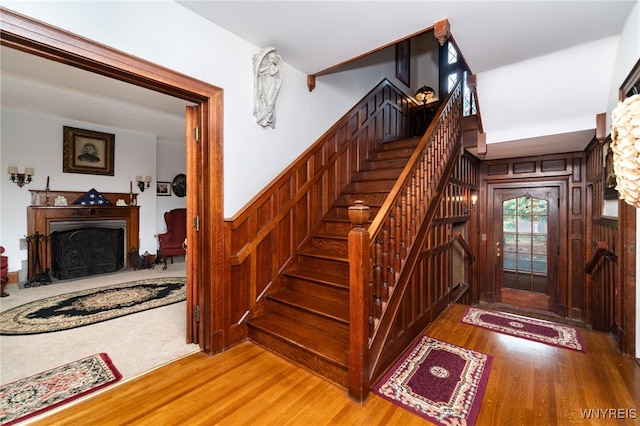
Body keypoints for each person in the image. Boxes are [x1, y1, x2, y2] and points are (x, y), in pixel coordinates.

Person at [253, 47, 284, 128]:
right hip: (265, 83)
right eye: (269, 58)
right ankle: (264, 117)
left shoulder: (276, 67)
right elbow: (259, 71)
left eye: (271, 58)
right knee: (264, 98)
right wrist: (267, 66)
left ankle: (267, 118)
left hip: (271, 84)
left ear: (274, 60)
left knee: (269, 100)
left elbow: (272, 73)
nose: (269, 59)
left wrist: (270, 66)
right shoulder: (268, 66)